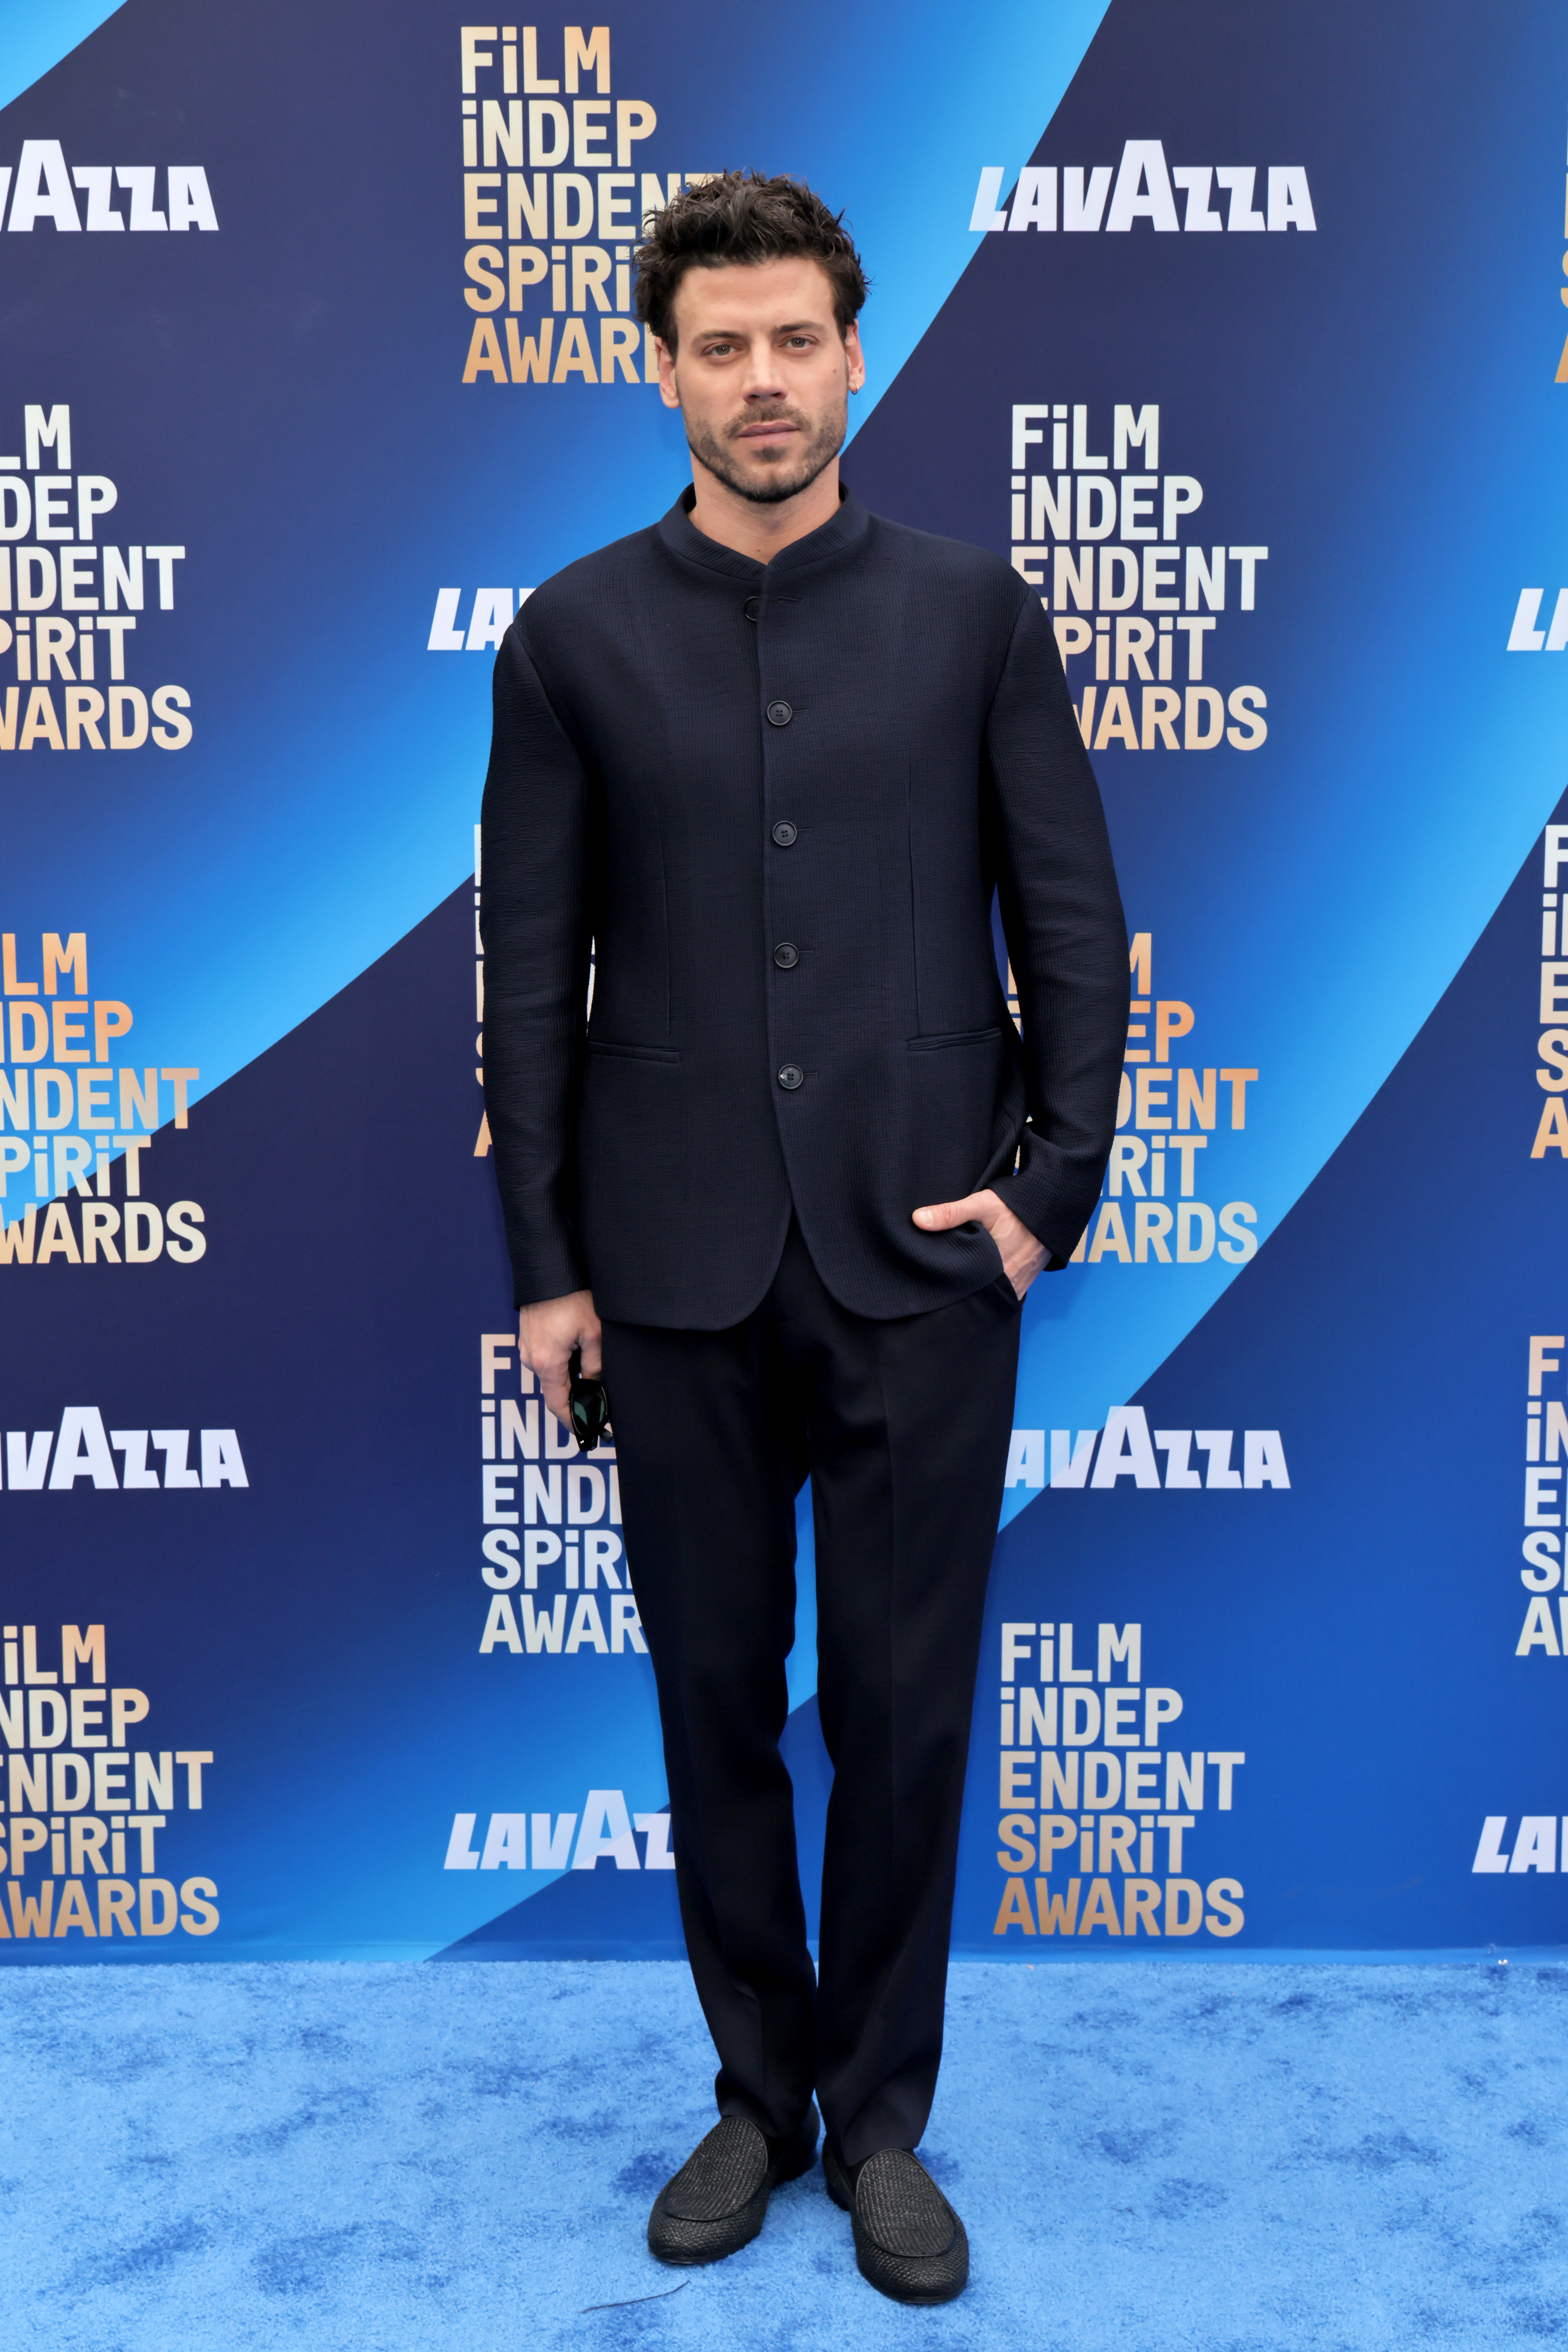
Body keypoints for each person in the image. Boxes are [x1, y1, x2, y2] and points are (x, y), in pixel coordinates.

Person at [480, 171, 1127, 2304]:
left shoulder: (975, 610)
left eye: (794, 342)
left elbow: (1071, 927)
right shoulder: (570, 633)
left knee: (909, 1702)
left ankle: (882, 2121)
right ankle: (756, 2096)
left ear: (854, 355)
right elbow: (531, 979)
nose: (760, 382)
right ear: (660, 368)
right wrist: (548, 1266)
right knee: (711, 1697)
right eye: (718, 345)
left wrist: (1045, 1199)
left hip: (926, 1251)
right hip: (663, 1267)